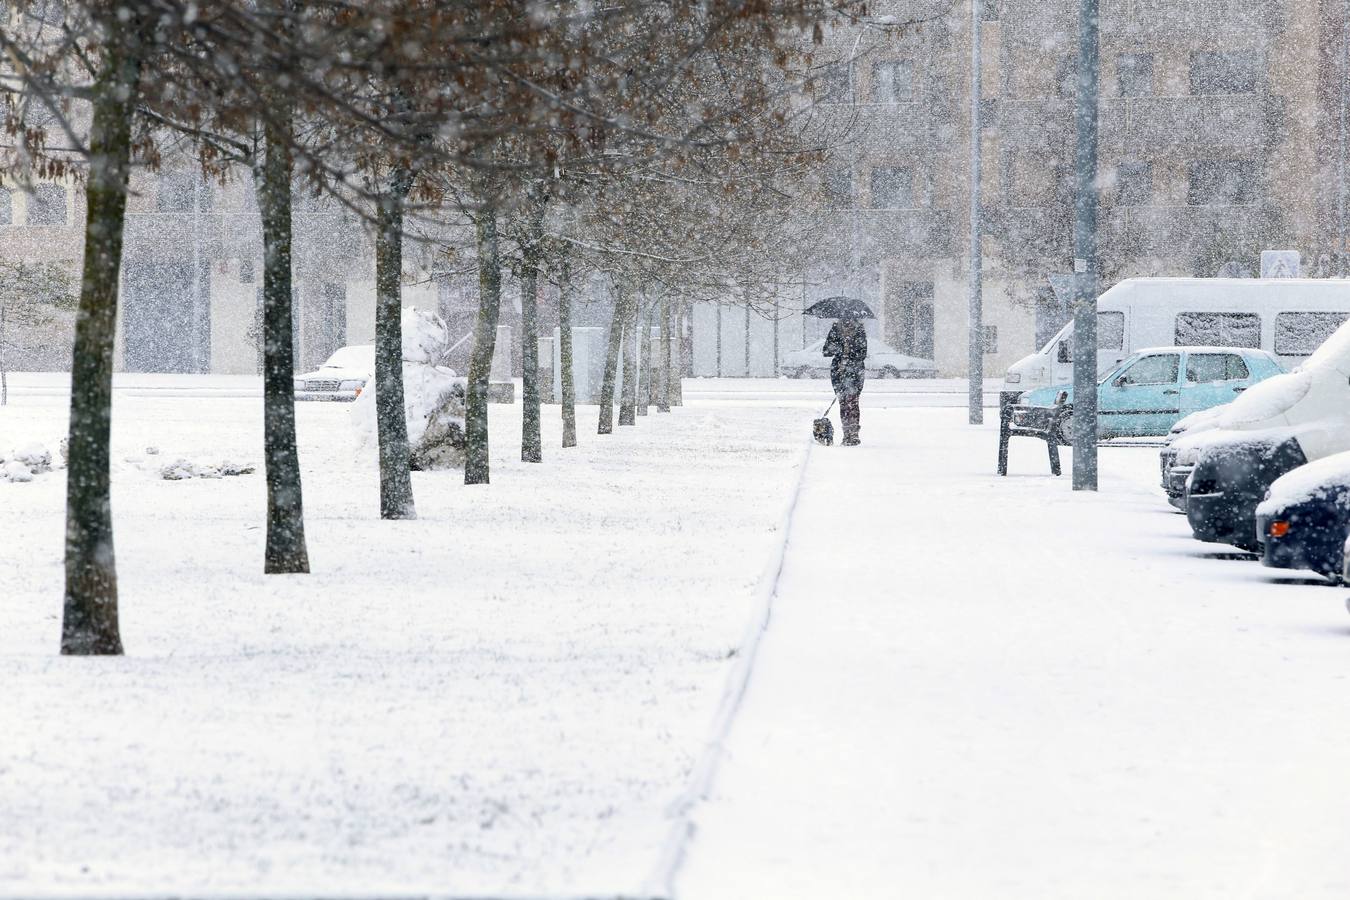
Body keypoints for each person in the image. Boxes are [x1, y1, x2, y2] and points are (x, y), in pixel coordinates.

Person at [822, 317, 867, 445]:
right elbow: (826, 351)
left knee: (852, 401)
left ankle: (853, 434)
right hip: (839, 371)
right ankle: (846, 434)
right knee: (843, 402)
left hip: (855, 371)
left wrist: (850, 353)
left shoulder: (860, 331)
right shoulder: (835, 330)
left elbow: (862, 353)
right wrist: (840, 349)